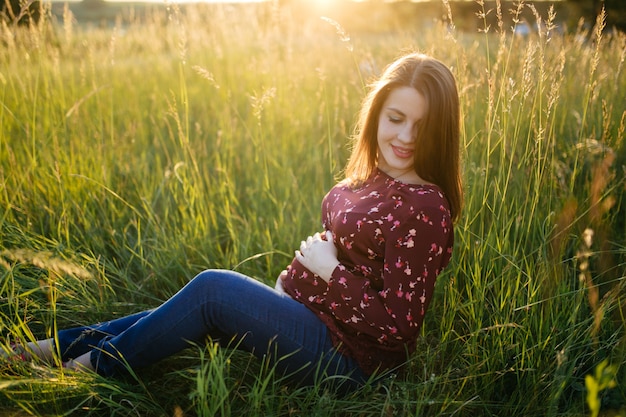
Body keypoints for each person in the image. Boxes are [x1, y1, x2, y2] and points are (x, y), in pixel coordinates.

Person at [4, 52, 462, 392]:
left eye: (420, 128)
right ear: (376, 115)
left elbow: (399, 327)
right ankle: (40, 352)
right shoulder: (371, 179)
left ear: (439, 132)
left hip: (353, 363)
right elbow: (343, 252)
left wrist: (329, 273)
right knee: (175, 314)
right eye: (395, 119)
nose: (404, 137)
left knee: (212, 290)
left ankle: (84, 372)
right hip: (311, 320)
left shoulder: (424, 206)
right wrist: (293, 283)